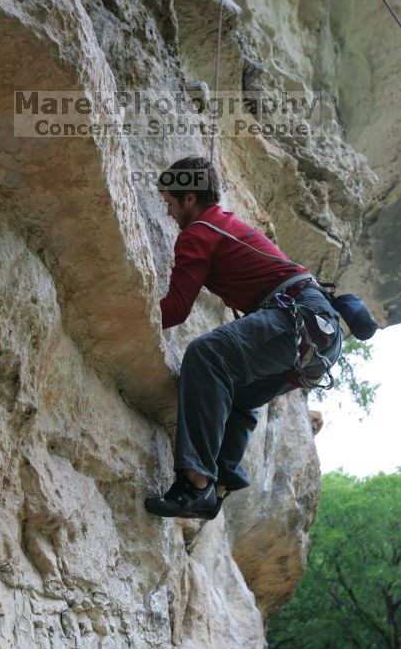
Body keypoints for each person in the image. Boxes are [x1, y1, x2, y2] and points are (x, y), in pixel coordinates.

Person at [144, 156, 342, 520]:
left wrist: (126, 310)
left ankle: (196, 483)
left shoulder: (199, 232)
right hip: (320, 337)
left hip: (298, 317)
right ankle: (221, 483)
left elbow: (175, 310)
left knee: (207, 354)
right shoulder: (224, 226)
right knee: (238, 393)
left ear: (189, 199)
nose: (168, 213)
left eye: (169, 203)